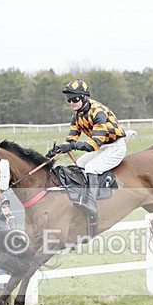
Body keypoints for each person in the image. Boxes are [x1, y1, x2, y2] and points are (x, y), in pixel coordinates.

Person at [46, 79, 127, 237]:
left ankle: (91, 204)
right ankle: (81, 198)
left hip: (114, 147)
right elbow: (72, 138)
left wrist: (72, 146)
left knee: (91, 168)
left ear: (84, 97)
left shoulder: (98, 112)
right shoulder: (77, 116)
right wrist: (58, 149)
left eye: (75, 98)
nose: (71, 102)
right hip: (102, 148)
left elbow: (95, 144)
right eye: (69, 99)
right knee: (77, 166)